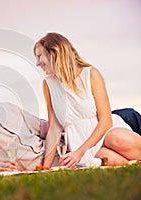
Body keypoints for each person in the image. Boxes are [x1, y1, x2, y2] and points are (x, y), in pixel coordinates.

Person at [33, 32, 141, 168]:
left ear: (53, 52)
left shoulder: (90, 74)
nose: (37, 63)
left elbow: (106, 121)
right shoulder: (48, 85)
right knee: (103, 158)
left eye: (39, 56)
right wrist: (45, 167)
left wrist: (79, 152)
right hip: (83, 146)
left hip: (105, 133)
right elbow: (54, 129)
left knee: (117, 138)